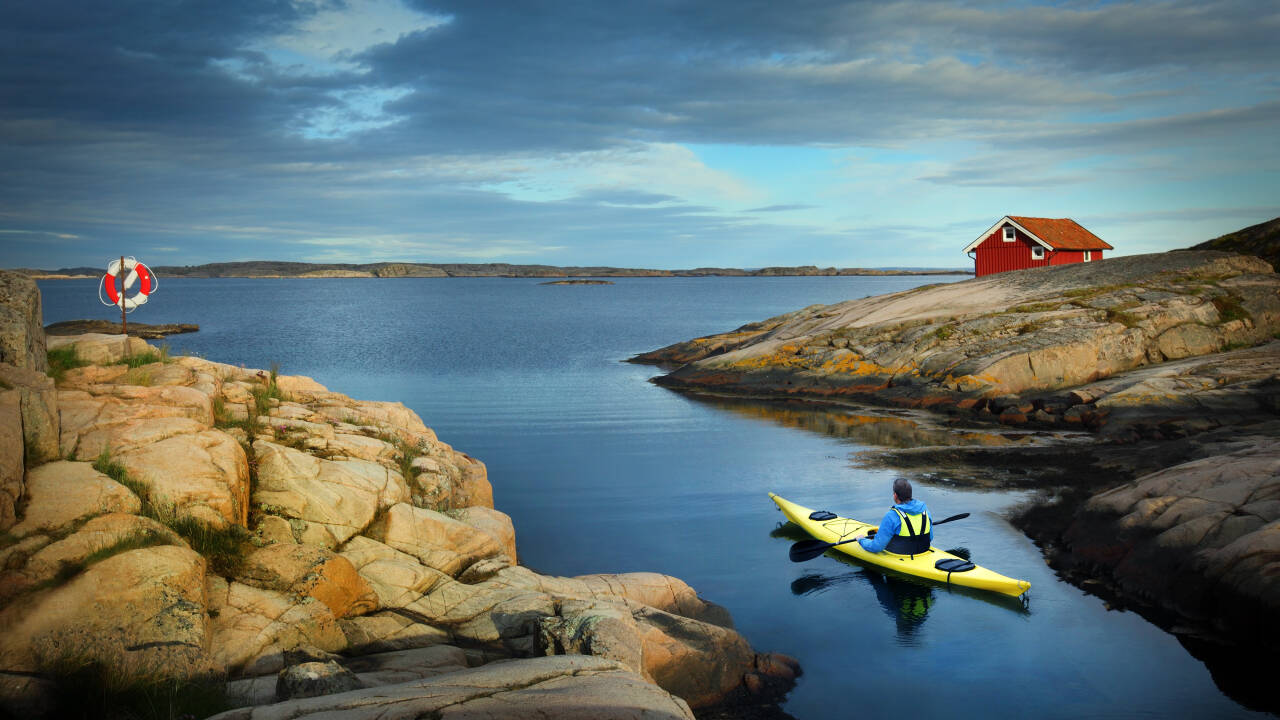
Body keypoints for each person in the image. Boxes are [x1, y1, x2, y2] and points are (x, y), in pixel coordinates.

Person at [853, 478, 932, 556]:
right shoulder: (925, 511)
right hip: (923, 552)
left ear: (895, 495)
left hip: (900, 555)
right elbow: (930, 537)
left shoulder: (892, 516)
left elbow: (876, 547)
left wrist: (861, 540)